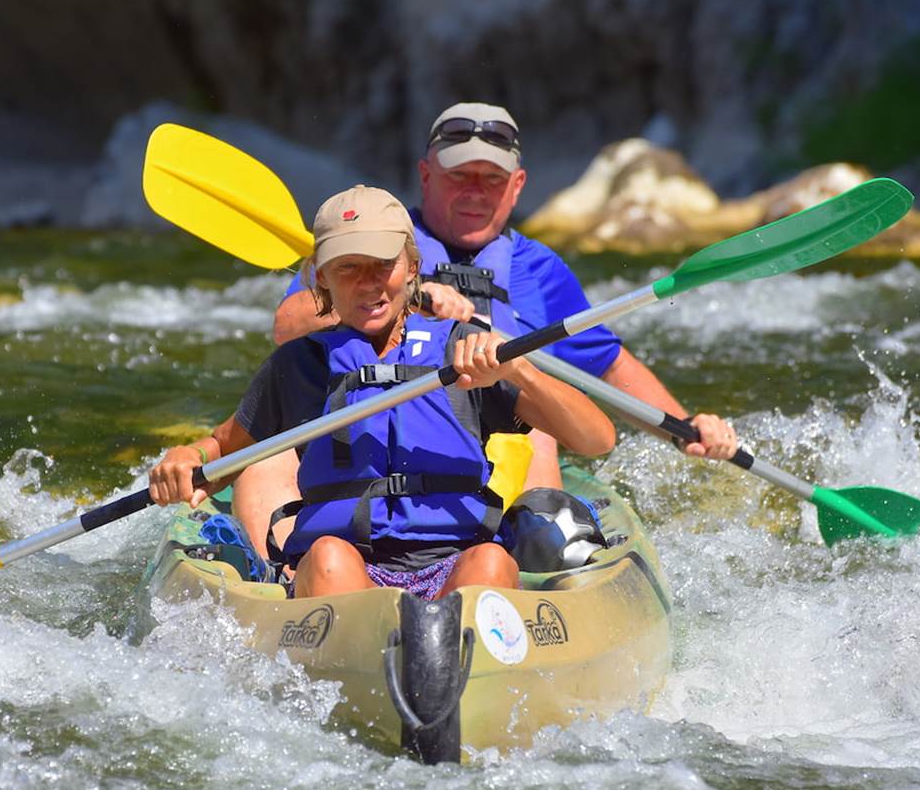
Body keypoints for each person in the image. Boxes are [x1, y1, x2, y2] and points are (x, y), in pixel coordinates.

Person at [231, 102, 737, 555]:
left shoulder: (541, 269)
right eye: (459, 176)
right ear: (426, 176)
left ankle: (521, 586)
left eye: (491, 178)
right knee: (264, 459)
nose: (475, 192)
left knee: (537, 430)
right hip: (362, 447)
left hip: (491, 448)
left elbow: (607, 364)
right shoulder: (373, 241)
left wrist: (685, 429)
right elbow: (289, 324)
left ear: (517, 186)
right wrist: (413, 295)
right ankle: (283, 592)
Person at [149, 185, 616, 600]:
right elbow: (219, 454)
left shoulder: (460, 352)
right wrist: (187, 458)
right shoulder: (302, 364)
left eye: (383, 266)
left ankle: (467, 672)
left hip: (452, 565)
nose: (369, 283)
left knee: (492, 563)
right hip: (346, 570)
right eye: (348, 267)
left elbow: (597, 439)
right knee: (329, 556)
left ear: (412, 267)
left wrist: (521, 373)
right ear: (321, 278)